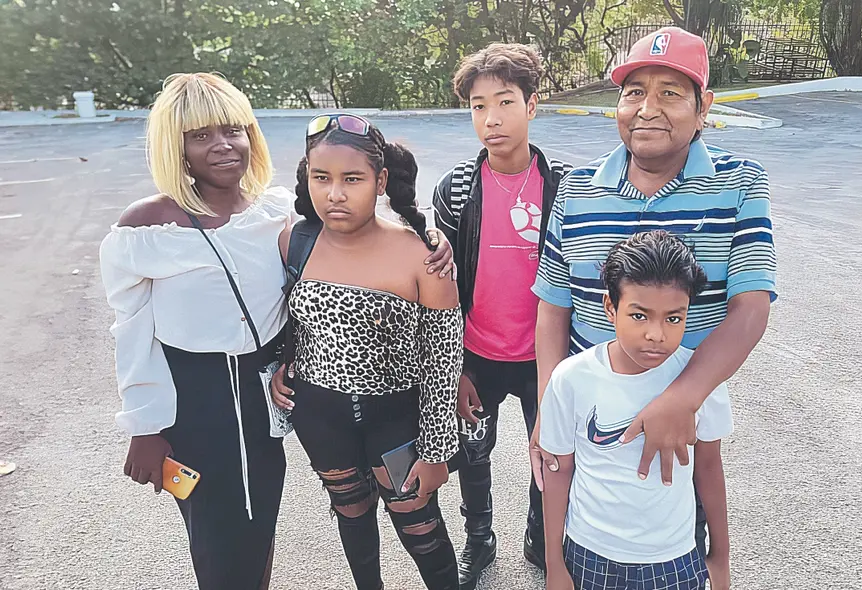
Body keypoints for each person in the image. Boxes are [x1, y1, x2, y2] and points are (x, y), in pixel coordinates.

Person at [99, 74, 455, 589]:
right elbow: (130, 330)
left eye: (233, 130)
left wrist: (427, 231)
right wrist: (144, 425)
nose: (222, 145)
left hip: (274, 397)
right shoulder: (147, 227)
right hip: (198, 405)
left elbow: (299, 305)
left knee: (259, 517)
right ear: (173, 146)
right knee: (215, 527)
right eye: (200, 136)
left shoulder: (276, 214)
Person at [531, 26, 775, 560]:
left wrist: (681, 399)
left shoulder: (740, 184)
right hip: (586, 416)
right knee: (566, 551)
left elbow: (752, 307)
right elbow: (552, 306)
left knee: (671, 552)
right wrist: (551, 411)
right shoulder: (575, 188)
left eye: (670, 93)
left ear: (703, 106)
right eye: (634, 91)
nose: (648, 108)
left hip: (682, 422)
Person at [269, 114, 463, 590]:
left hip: (396, 421)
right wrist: (278, 364)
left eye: (351, 179)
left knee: (419, 525)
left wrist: (437, 452)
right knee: (351, 512)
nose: (335, 194)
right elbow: (278, 317)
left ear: (379, 182)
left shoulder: (421, 254)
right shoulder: (292, 242)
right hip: (319, 416)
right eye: (322, 178)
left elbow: (443, 362)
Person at [432, 43, 572, 588]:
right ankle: (479, 537)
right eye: (477, 106)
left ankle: (541, 535)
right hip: (478, 356)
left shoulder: (565, 187)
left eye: (506, 102)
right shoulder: (456, 191)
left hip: (546, 355)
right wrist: (455, 363)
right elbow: (439, 285)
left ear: (532, 105)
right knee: (473, 451)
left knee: (550, 449)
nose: (491, 119)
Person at [540, 231, 732, 590]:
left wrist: (720, 557)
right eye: (640, 315)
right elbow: (558, 470)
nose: (656, 334)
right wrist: (554, 564)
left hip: (675, 557)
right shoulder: (571, 378)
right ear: (610, 308)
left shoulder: (701, 380)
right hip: (589, 554)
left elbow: (708, 465)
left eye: (673, 318)